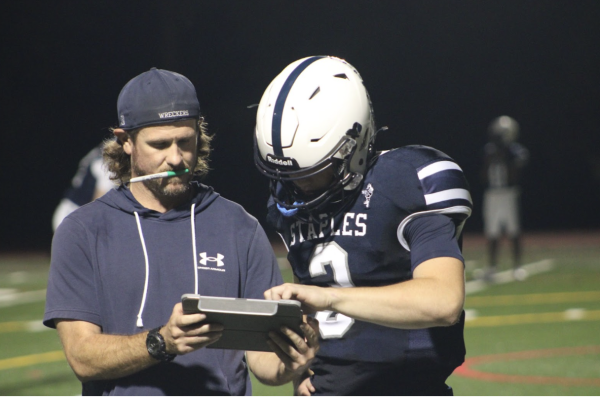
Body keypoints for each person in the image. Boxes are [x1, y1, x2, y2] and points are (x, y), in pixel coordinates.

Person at [44, 68, 318, 395]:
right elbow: (82, 357)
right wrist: (162, 342)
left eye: (185, 141)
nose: (176, 158)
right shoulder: (82, 230)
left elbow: (263, 363)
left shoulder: (239, 227)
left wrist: (292, 359)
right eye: (159, 144)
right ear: (125, 141)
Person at [253, 56, 472, 395]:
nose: (299, 188)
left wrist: (329, 298)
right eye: (288, 176)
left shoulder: (405, 181)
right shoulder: (286, 205)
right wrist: (301, 368)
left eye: (311, 173)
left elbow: (443, 301)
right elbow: (310, 306)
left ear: (352, 146)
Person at [481, 115, 529, 281]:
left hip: (509, 193)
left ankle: (517, 266)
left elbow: (519, 165)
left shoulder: (515, 151)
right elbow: (484, 172)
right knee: (492, 232)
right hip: (493, 193)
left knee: (513, 230)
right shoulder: (490, 150)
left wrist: (506, 152)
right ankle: (492, 267)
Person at [52, 144, 114, 231]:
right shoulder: (108, 161)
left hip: (70, 210)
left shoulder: (101, 150)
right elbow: (98, 203)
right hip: (75, 214)